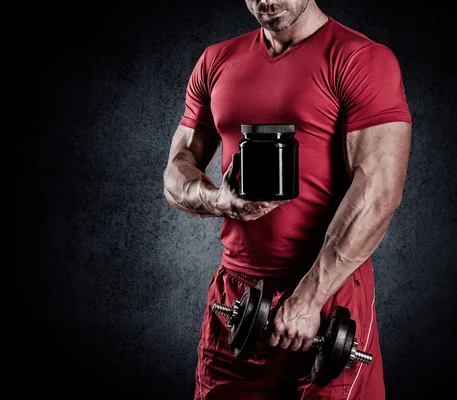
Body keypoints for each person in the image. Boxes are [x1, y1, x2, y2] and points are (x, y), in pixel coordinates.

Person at [163, 0, 412, 398]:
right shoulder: (216, 60)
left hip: (329, 292)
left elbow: (379, 193)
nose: (267, 0)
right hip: (237, 293)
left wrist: (309, 298)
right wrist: (220, 202)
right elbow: (178, 168)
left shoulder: (361, 59)